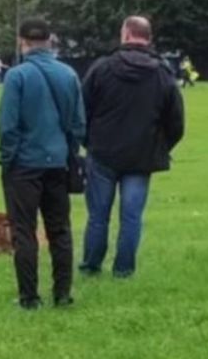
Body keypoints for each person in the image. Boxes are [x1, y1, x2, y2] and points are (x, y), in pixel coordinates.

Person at [79, 17, 186, 280]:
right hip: (141, 157)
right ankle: (123, 270)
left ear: (125, 35)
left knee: (98, 216)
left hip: (102, 152)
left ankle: (92, 265)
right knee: (131, 216)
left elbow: (81, 110)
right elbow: (176, 122)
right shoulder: (162, 73)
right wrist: (159, 147)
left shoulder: (101, 69)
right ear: (148, 38)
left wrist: (88, 142)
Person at [0, 19, 85, 310]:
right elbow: (78, 124)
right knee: (60, 230)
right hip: (58, 162)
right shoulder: (68, 74)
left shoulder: (16, 76)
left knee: (24, 231)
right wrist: (66, 151)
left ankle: (29, 297)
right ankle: (62, 294)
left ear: (22, 41)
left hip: (24, 164)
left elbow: (8, 125)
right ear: (50, 40)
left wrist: (8, 159)